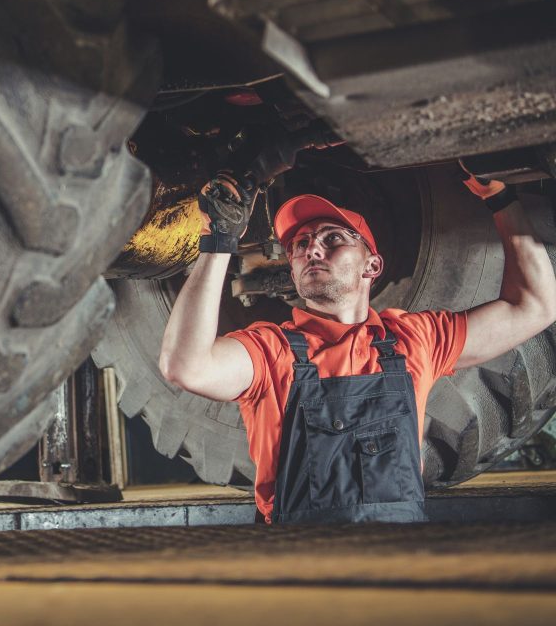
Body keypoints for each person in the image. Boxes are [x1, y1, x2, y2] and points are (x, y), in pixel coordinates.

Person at [159, 170, 556, 524]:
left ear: (373, 266)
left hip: (401, 552)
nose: (311, 249)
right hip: (299, 558)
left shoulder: (414, 339)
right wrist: (219, 243)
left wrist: (501, 198)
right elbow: (186, 366)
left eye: (333, 238)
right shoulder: (270, 350)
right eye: (300, 244)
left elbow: (535, 306)